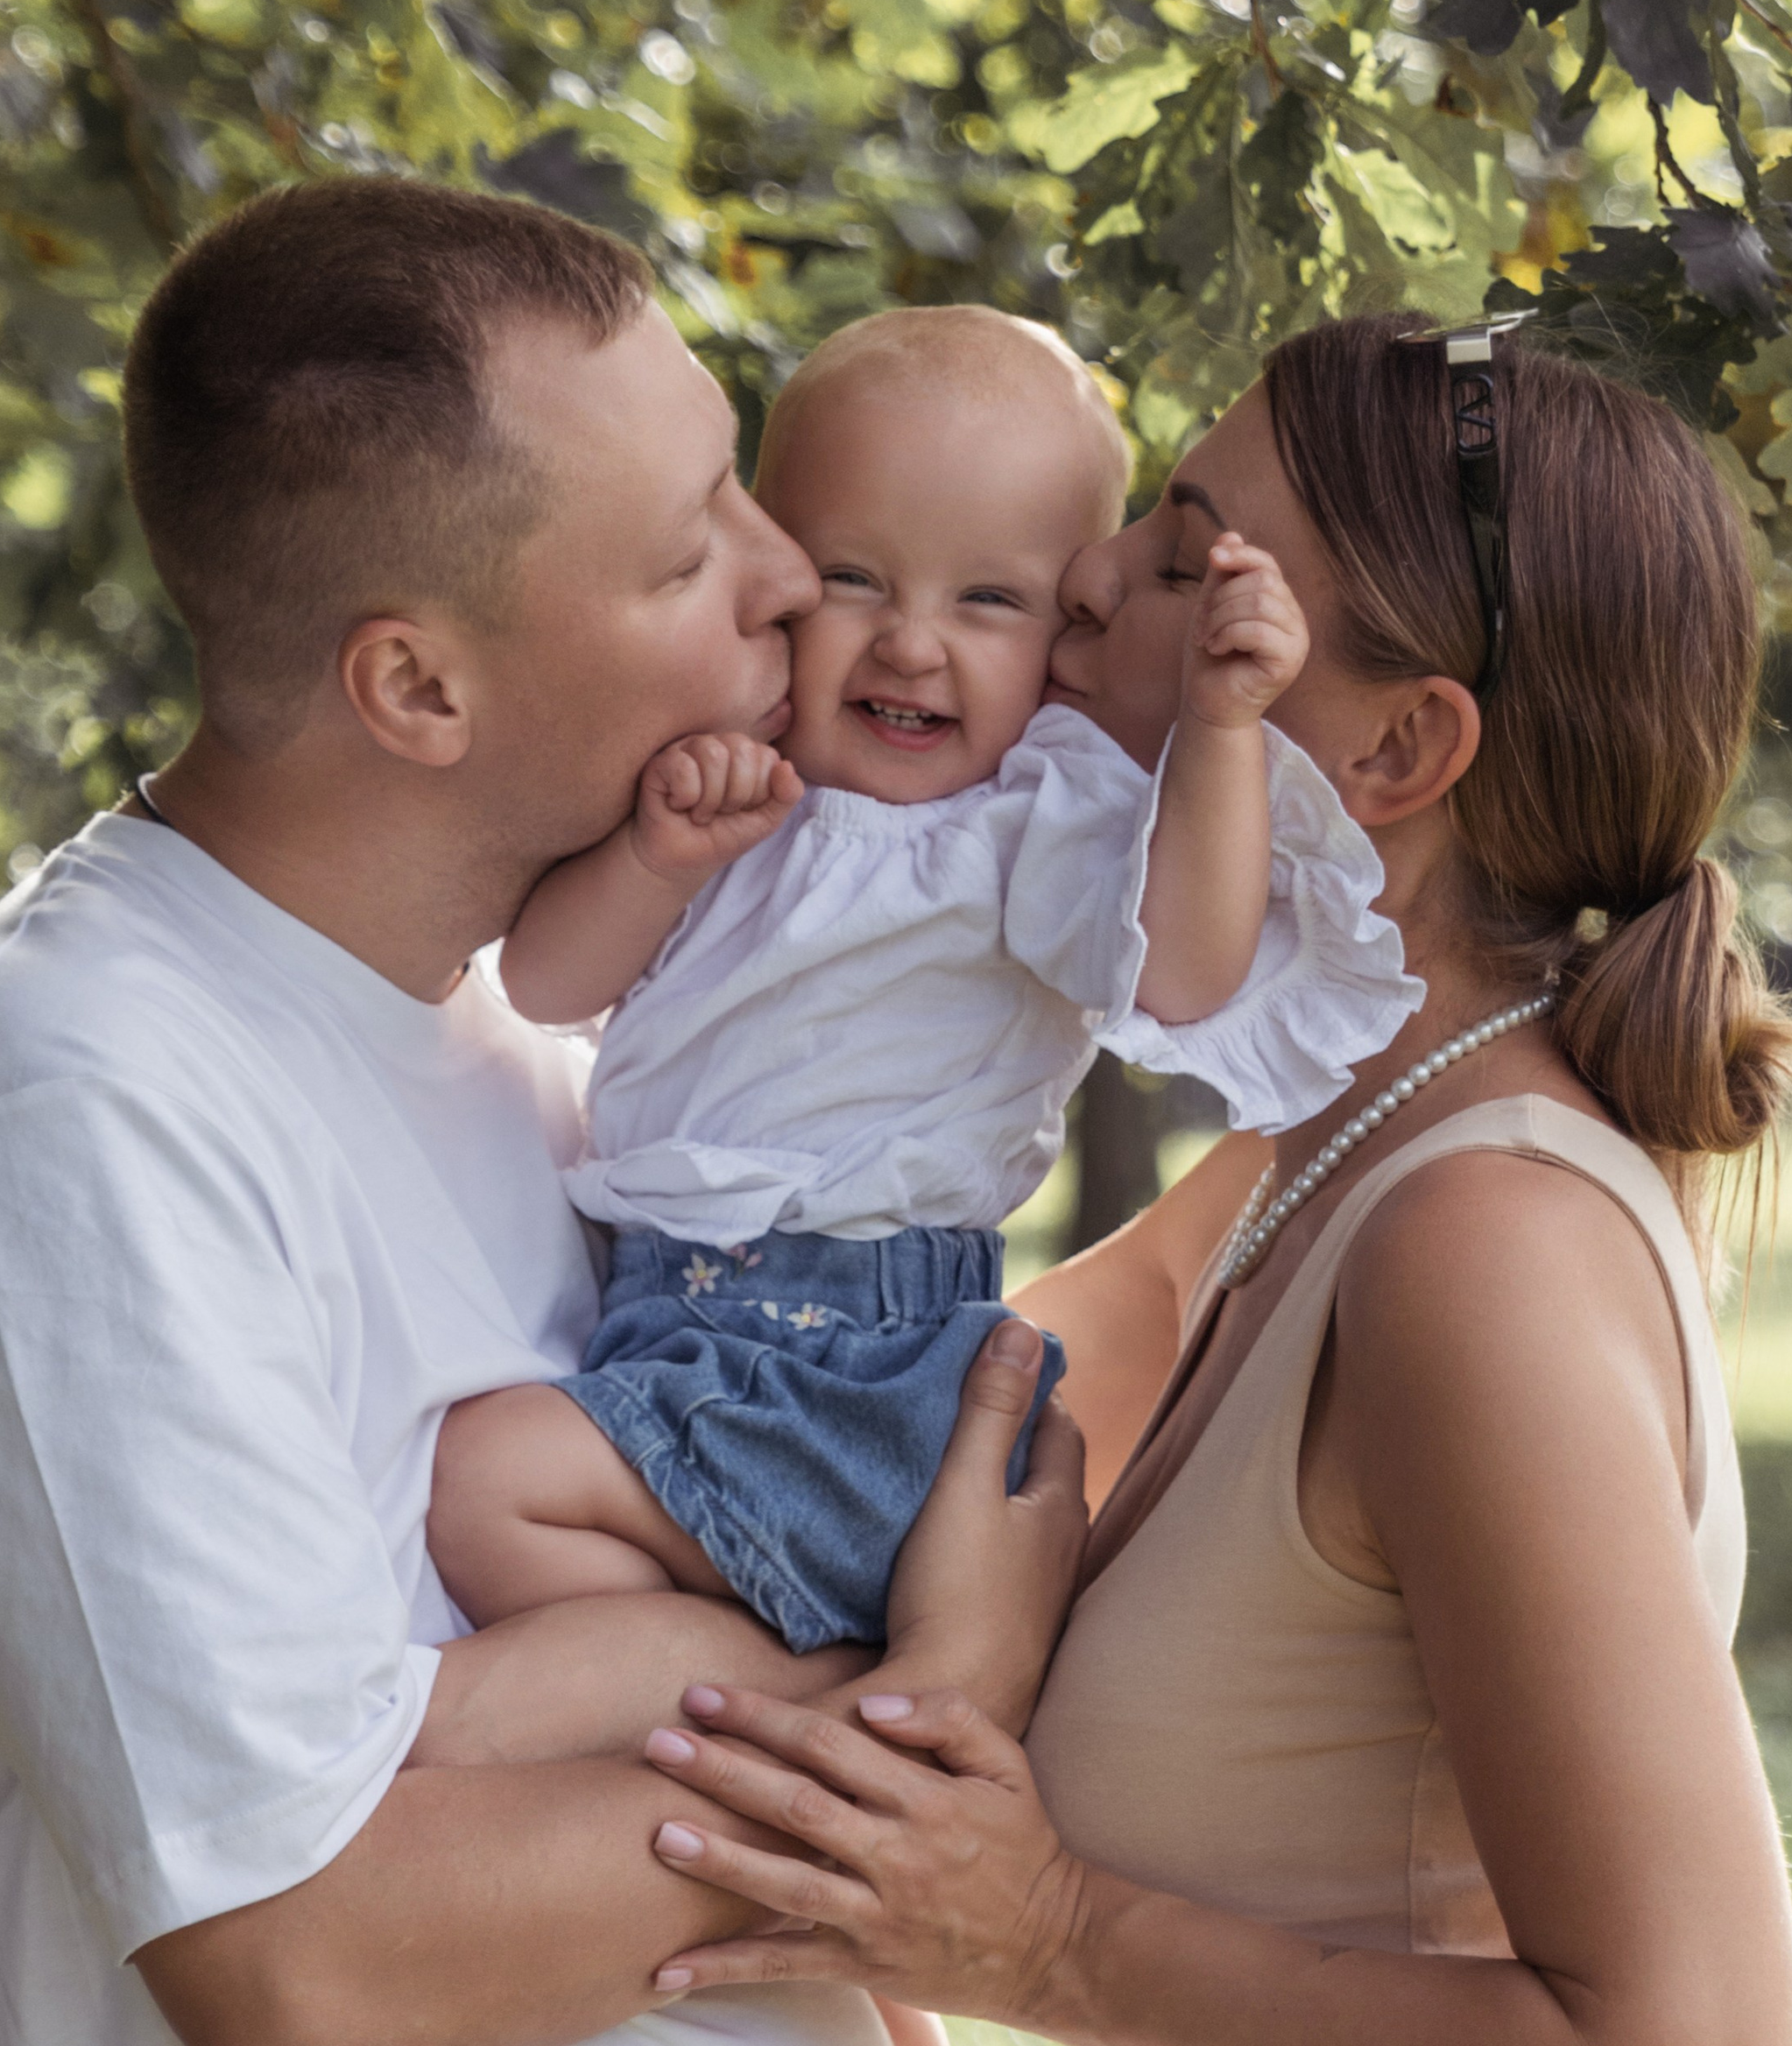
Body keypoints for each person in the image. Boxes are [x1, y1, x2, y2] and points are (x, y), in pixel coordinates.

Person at [0, 179, 1087, 2046]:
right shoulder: (64, 1105)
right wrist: (931, 1702)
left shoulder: (561, 1009)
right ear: (415, 681)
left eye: (744, 485)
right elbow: (307, 1961)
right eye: (683, 557)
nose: (782, 579)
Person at [618, 314, 1792, 2046]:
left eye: (1175, 559)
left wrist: (1042, 1935)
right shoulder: (1317, 1159)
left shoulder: (1477, 1247)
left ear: (1389, 754)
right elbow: (859, 1400)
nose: (1074, 582)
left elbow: (1695, 2025)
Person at [427, 308, 1420, 1661]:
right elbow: (542, 985)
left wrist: (1221, 730)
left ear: (1064, 624)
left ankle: (747, 1702)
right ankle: (774, 1692)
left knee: (487, 1484)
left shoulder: (1037, 819)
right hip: (670, 1321)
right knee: (500, 1499)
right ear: (775, 571)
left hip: (865, 1361)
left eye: (988, 600)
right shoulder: (726, 778)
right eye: (854, 579)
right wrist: (659, 857)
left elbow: (1186, 974)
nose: (909, 643)